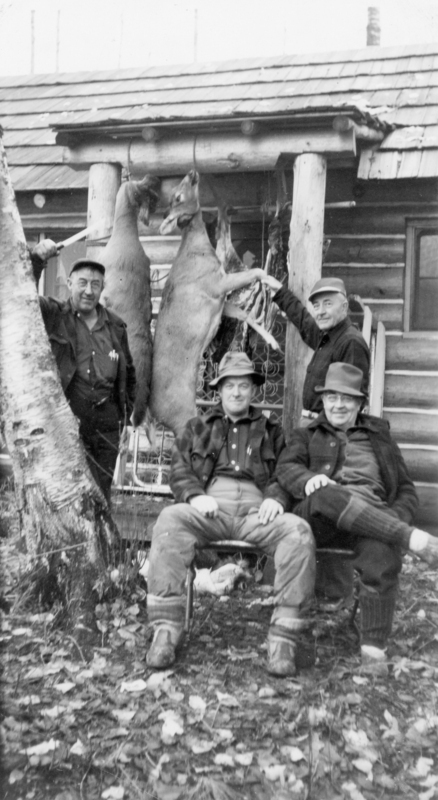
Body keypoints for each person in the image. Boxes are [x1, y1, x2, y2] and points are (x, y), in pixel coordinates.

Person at [145, 351, 315, 677]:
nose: (237, 393)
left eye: (244, 386)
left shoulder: (273, 431)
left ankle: (283, 639)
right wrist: (195, 496)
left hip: (257, 515)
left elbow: (288, 470)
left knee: (298, 532)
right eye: (230, 386)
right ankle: (166, 630)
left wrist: (277, 498)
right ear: (219, 391)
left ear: (254, 390)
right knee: (169, 521)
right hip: (211, 511)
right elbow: (179, 470)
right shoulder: (197, 427)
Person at [275, 362, 438, 672]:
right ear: (323, 400)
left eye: (347, 398)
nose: (338, 405)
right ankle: (410, 538)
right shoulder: (306, 434)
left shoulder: (380, 438)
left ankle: (373, 651)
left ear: (360, 403)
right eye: (332, 397)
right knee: (326, 492)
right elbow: (285, 468)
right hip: (320, 518)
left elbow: (405, 490)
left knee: (381, 550)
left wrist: (394, 516)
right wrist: (307, 479)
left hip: (371, 519)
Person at [262, 274, 370, 608]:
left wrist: (327, 431)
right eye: (317, 305)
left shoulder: (351, 343)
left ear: (344, 305)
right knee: (299, 487)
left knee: (322, 497)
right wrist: (280, 293)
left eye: (328, 304)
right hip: (313, 427)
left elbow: (349, 396)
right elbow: (306, 324)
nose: (320, 311)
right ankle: (294, 583)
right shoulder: (328, 337)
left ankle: (331, 590)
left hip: (330, 431)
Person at [30, 240, 136, 502]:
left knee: (101, 494)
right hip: (68, 421)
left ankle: (100, 529)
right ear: (69, 283)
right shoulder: (54, 314)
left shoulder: (116, 326)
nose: (89, 291)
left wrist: (125, 420)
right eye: (83, 283)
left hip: (106, 426)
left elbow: (129, 374)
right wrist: (37, 262)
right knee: (68, 495)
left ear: (102, 288)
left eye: (95, 284)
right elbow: (23, 299)